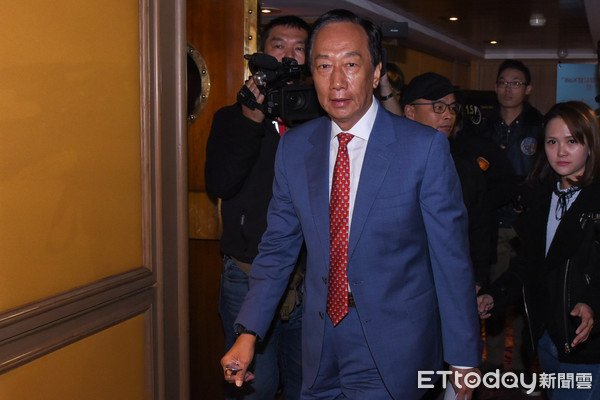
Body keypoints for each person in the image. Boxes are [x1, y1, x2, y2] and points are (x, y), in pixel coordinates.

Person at [220, 9, 481, 400]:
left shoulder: (422, 148)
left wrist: (462, 355)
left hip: (394, 344)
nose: (337, 82)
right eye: (324, 66)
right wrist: (249, 332)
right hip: (320, 342)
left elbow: (450, 259)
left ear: (376, 73)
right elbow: (277, 247)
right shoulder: (295, 148)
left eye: (351, 64)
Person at [205, 15, 310, 400]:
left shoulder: (317, 122)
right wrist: (251, 119)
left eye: (299, 48)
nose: (289, 56)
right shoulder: (230, 119)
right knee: (255, 385)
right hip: (247, 273)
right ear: (262, 54)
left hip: (307, 276)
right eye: (279, 46)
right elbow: (221, 185)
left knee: (306, 383)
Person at [478, 101, 600, 399]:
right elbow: (529, 266)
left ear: (590, 144)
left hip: (587, 343)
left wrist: (592, 305)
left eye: (572, 141)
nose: (561, 152)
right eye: (552, 142)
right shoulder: (543, 198)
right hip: (547, 336)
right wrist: (494, 295)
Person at [479, 59, 545, 376]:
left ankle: (519, 363)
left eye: (516, 83)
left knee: (521, 296)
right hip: (490, 223)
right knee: (492, 293)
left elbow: (544, 173)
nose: (508, 89)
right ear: (496, 87)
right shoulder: (484, 126)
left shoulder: (539, 126)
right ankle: (493, 360)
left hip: (524, 225)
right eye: (503, 82)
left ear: (527, 89)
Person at [402, 72, 490, 292]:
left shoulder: (466, 165)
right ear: (410, 112)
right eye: (439, 107)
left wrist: (478, 279)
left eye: (452, 108)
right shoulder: (391, 164)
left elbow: (479, 227)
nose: (449, 115)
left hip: (453, 282)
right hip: (404, 284)